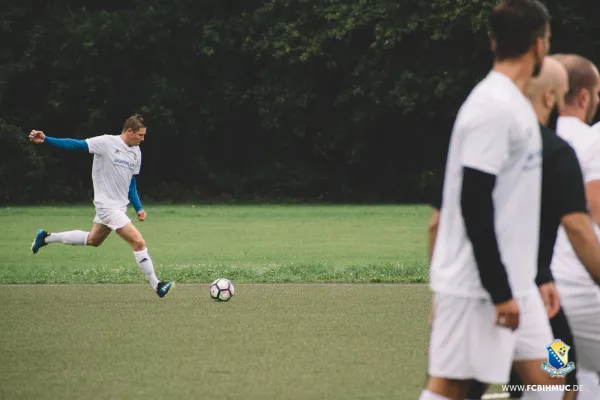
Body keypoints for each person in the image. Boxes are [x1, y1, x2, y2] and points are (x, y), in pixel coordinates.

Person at [420, 1, 558, 399]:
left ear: (494, 41)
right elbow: (473, 203)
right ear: (538, 44)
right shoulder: (491, 107)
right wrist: (500, 292)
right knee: (451, 388)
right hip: (479, 289)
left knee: (553, 380)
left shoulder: (515, 105)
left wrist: (533, 276)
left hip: (521, 286)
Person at [454, 56, 600, 400]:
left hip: (505, 285)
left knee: (475, 382)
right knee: (562, 377)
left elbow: (449, 218)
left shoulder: (493, 141)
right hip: (533, 291)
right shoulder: (555, 150)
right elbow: (579, 225)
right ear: (551, 96)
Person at [28, 114, 175, 299]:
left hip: (119, 207)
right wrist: (47, 139)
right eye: (140, 135)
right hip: (106, 206)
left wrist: (138, 207)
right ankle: (157, 285)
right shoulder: (106, 142)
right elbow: (77, 145)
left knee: (93, 240)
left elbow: (131, 183)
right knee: (138, 242)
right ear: (129, 131)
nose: (142, 139)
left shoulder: (136, 152)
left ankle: (45, 238)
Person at [550, 54, 600, 395]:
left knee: (559, 374)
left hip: (541, 287)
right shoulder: (591, 140)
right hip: (584, 283)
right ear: (584, 97)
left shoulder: (529, 139)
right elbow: (594, 209)